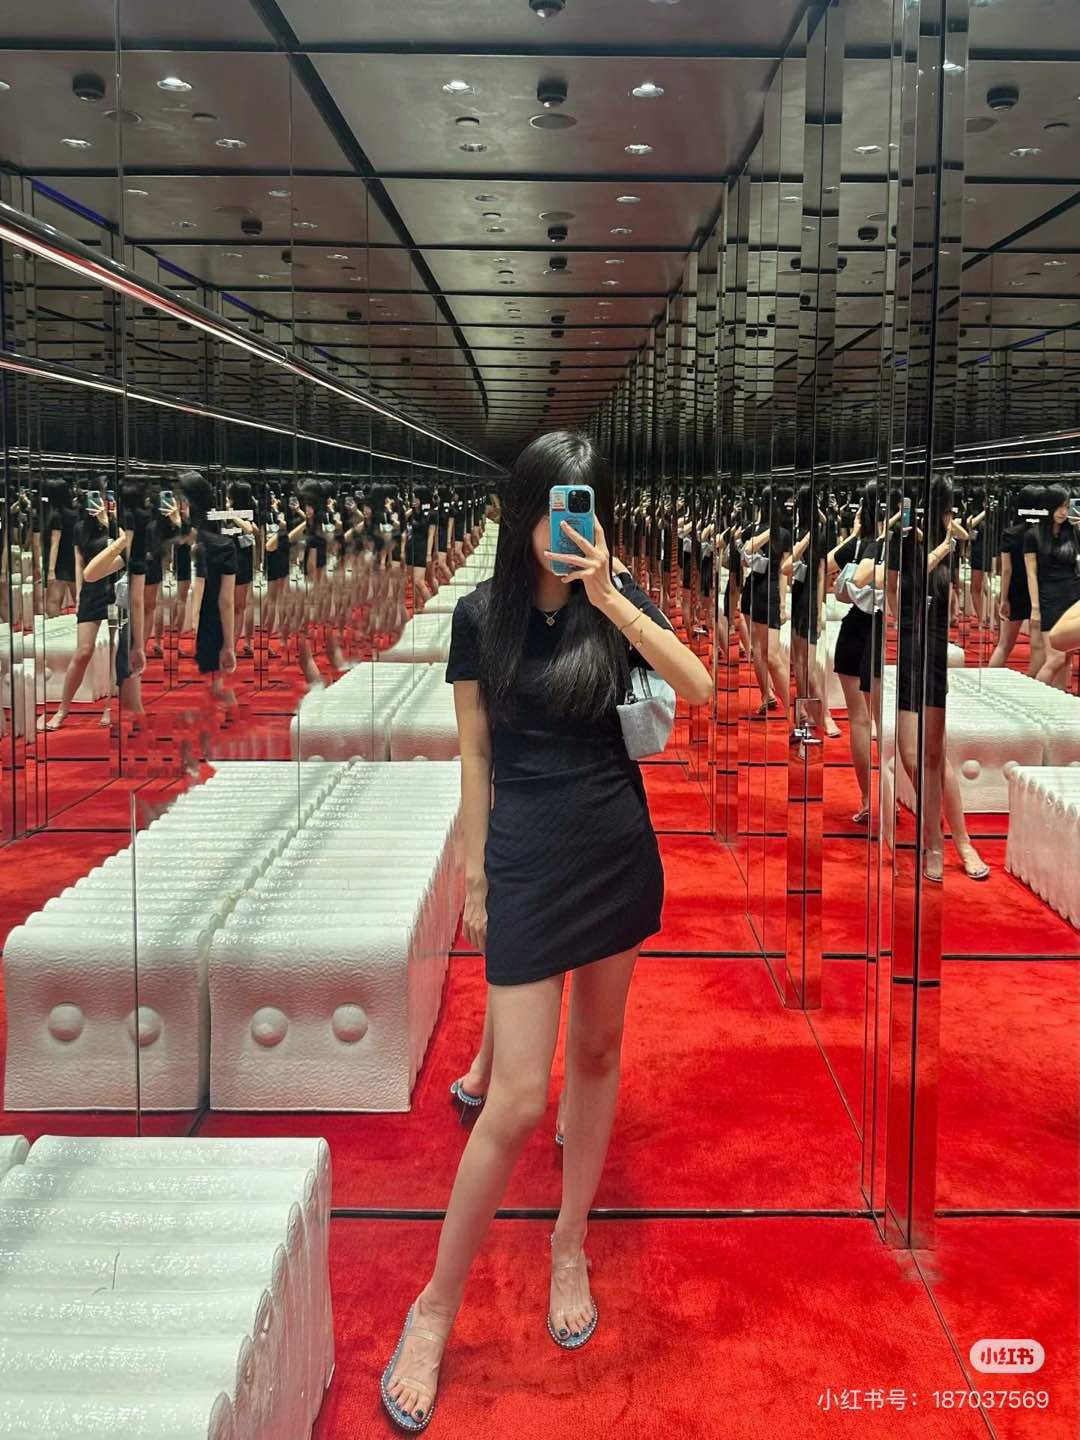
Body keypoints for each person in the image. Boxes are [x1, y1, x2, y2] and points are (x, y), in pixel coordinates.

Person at [379, 432, 712, 1433]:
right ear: (522, 510)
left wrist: (611, 594)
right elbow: (476, 756)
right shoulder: (480, 615)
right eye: (552, 506)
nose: (564, 526)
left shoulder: (616, 600)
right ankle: (434, 1308)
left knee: (599, 1052)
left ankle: (570, 1239)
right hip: (525, 853)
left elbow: (698, 687)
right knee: (519, 1094)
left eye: (584, 505)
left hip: (614, 845)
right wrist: (478, 875)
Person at [885, 477, 988, 883]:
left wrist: (953, 541)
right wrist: (942, 545)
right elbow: (897, 589)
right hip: (911, 644)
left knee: (935, 754)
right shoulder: (905, 540)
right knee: (911, 754)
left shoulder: (951, 544)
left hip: (935, 647)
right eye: (944, 509)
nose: (948, 516)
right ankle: (937, 834)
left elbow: (952, 596)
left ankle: (952, 841)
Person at [829, 482, 885, 822]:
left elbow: (827, 562)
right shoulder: (896, 544)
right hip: (880, 631)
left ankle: (867, 798)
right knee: (881, 722)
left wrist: (854, 533)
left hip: (855, 629)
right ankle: (883, 798)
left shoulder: (861, 543)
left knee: (860, 720)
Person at [1023, 484, 1080, 689]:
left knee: (1067, 659)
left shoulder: (1073, 533)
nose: (1063, 512)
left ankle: (1059, 698)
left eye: (1067, 506)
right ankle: (1035, 699)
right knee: (1056, 657)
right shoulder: (1033, 535)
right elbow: (1031, 573)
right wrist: (1035, 607)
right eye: (1059, 506)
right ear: (1049, 506)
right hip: (1049, 599)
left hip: (1073, 596)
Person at [989, 485, 1043, 673]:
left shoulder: (1011, 533)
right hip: (1039, 590)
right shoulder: (1044, 534)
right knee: (1037, 647)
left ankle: (988, 681)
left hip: (1015, 590)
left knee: (1004, 644)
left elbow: (1006, 570)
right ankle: (1033, 684)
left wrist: (1004, 598)